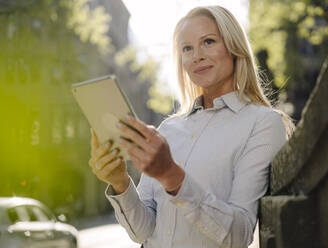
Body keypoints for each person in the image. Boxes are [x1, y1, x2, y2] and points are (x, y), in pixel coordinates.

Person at [88, 5, 293, 248]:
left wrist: (171, 175)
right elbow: (142, 232)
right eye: (187, 48)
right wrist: (120, 183)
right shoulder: (168, 129)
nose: (196, 56)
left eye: (208, 41)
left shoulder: (262, 123)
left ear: (234, 47)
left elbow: (239, 236)